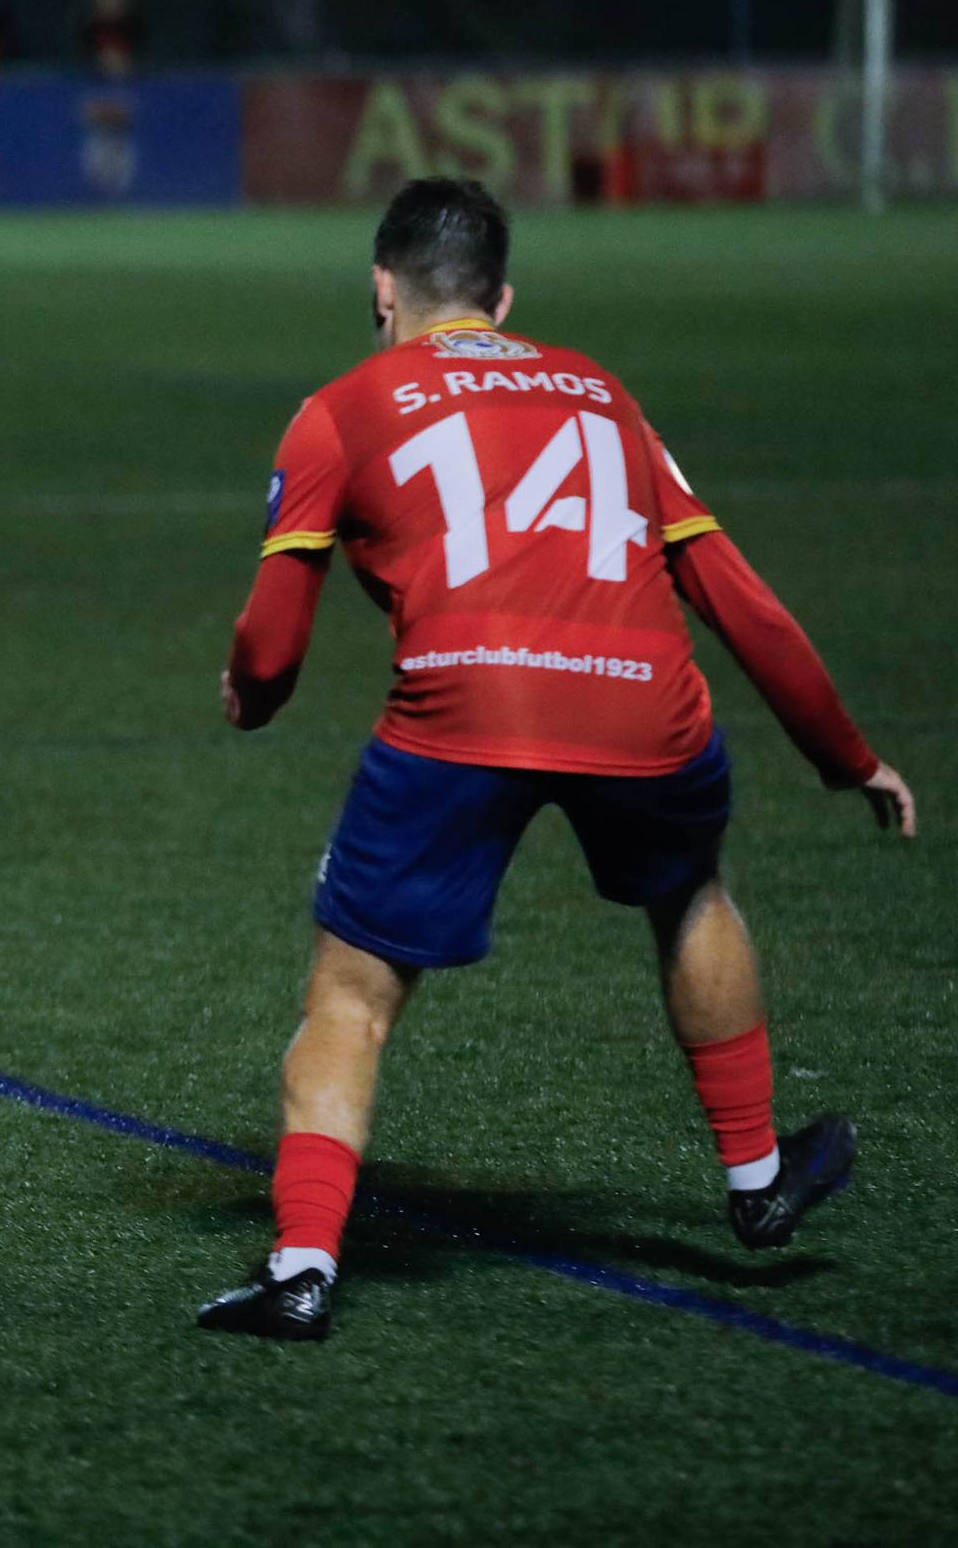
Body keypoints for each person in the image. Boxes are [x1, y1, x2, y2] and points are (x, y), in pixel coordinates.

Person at [197, 177, 917, 1342]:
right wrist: (845, 755)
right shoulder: (601, 392)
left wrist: (256, 696)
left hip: (462, 706)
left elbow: (270, 640)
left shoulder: (337, 409)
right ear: (504, 298)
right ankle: (753, 1179)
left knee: (352, 990)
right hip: (646, 707)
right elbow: (738, 600)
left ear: (380, 287)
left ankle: (300, 1270)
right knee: (685, 893)